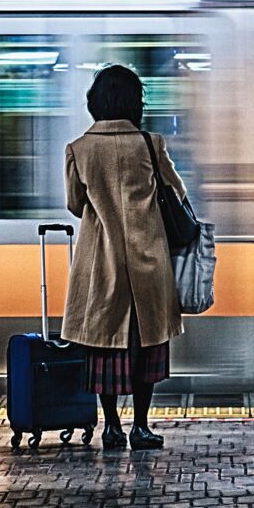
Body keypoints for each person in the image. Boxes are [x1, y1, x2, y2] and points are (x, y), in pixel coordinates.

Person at [60, 64, 187, 450]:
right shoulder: (151, 144)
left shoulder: (78, 149)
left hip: (102, 264)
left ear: (95, 102)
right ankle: (142, 427)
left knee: (105, 348)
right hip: (147, 262)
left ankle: (112, 427)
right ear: (135, 103)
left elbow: (74, 204)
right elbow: (177, 193)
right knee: (145, 348)